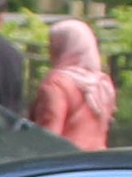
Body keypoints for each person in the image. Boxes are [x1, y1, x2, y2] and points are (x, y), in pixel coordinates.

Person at [30, 17, 116, 150]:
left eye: (52, 44)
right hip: (98, 161)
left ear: (60, 47)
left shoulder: (56, 83)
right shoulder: (102, 83)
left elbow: (49, 134)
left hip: (68, 163)